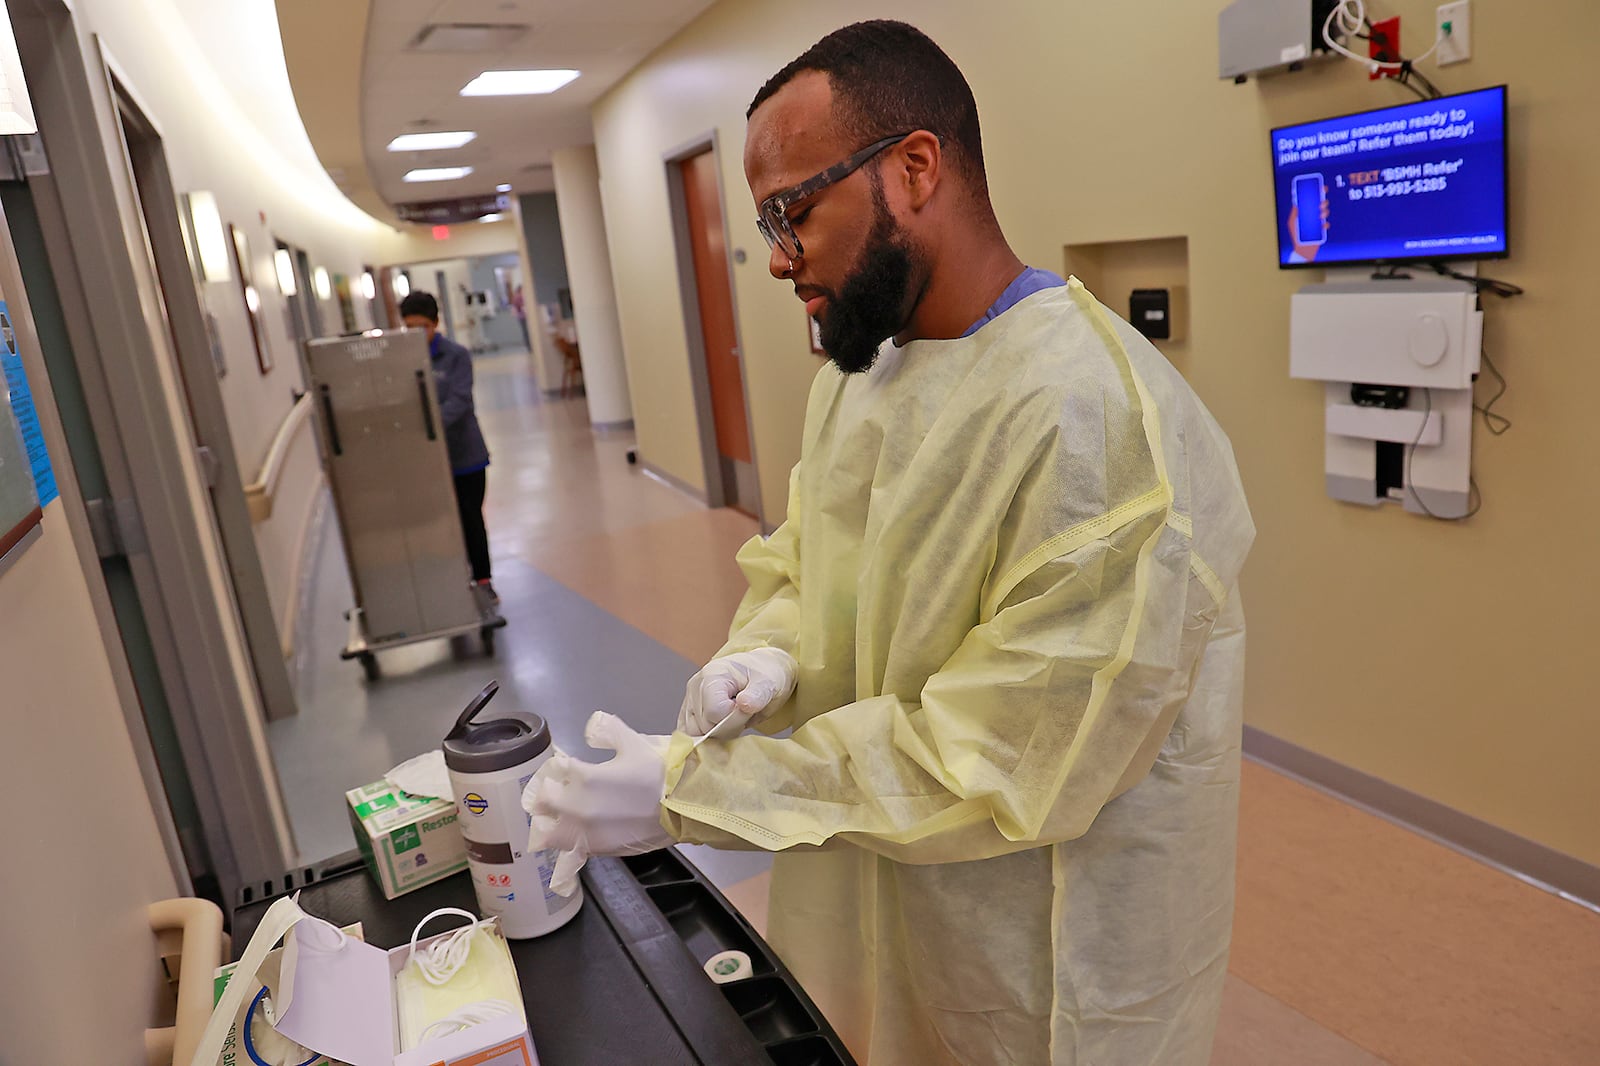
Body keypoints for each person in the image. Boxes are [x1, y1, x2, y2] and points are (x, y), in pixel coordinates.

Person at [525, 20, 1254, 1065]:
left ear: (913, 168)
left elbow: (1003, 756)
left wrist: (698, 788)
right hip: (879, 879)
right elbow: (803, 559)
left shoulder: (1096, 422)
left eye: (792, 211)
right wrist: (766, 650)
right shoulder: (862, 378)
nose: (776, 258)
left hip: (1044, 944)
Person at [399, 290, 496, 604]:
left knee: (471, 519)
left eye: (422, 327)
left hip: (465, 456)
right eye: (408, 327)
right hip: (427, 462)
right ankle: (452, 581)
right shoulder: (401, 360)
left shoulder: (456, 356)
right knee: (440, 522)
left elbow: (460, 401)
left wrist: (426, 425)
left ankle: (482, 579)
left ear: (436, 323)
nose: (416, 334)